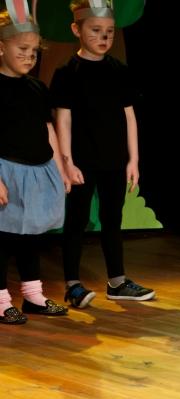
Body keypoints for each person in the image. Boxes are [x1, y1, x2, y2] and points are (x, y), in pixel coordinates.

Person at [51, 0, 154, 309]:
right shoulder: (67, 73)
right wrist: (67, 162)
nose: (103, 37)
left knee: (112, 219)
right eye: (96, 30)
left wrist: (133, 159)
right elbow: (63, 120)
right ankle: (72, 285)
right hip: (82, 161)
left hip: (113, 160)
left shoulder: (118, 70)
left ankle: (117, 282)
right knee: (76, 220)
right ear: (77, 30)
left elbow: (129, 116)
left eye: (109, 31)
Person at [0, 3, 70, 324]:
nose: (29, 57)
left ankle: (33, 296)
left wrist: (59, 168)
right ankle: (1, 300)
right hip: (6, 170)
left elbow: (47, 129)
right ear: (1, 47)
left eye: (34, 51)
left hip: (37, 170)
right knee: (3, 237)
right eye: (22, 50)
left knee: (31, 235)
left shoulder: (37, 87)